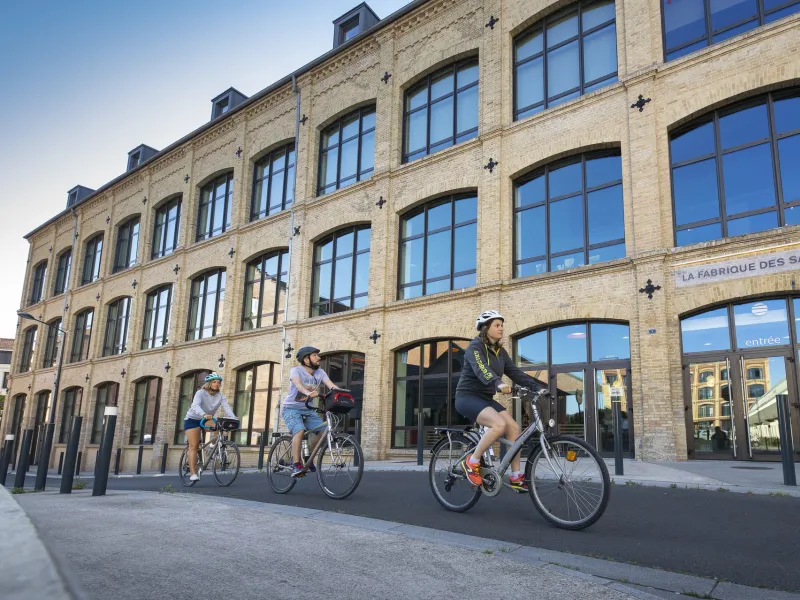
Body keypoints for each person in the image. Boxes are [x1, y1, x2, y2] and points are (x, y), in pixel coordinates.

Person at [455, 310, 543, 492]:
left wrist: (537, 387)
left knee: (514, 428)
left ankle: (516, 477)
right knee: (498, 425)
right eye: (497, 325)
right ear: (485, 328)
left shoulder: (500, 351)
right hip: (467, 397)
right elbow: (482, 369)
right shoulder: (475, 347)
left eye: (502, 325)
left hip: (485, 399)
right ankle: (472, 462)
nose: (501, 328)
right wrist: (498, 383)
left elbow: (515, 372)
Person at [282, 346, 340, 477]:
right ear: (306, 359)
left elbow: (331, 385)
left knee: (324, 430)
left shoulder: (320, 373)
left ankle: (309, 459)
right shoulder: (296, 370)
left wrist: (343, 394)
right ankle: (296, 464)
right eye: (315, 355)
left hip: (308, 409)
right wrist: (308, 393)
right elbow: (298, 385)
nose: (319, 358)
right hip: (291, 408)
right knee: (300, 430)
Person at [183, 372, 237, 482]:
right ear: (209, 383)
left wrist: (234, 418)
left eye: (219, 382)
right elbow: (195, 405)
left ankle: (213, 446)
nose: (217, 384)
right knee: (194, 445)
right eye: (214, 382)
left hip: (207, 419)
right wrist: (203, 414)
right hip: (193, 419)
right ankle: (193, 473)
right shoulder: (200, 393)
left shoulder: (220, 396)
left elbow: (226, 408)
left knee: (219, 426)